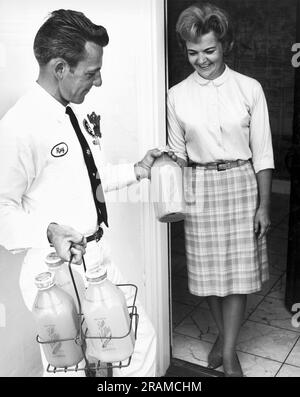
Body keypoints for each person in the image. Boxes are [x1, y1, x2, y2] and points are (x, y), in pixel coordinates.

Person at [0, 9, 165, 377]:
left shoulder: (68, 113)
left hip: (95, 259)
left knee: (135, 346)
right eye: (91, 73)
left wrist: (137, 170)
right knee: (69, 369)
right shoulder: (19, 125)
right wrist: (49, 232)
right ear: (60, 68)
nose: (100, 81)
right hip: (55, 270)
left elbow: (90, 177)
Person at [167, 2, 274, 377]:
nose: (201, 60)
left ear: (224, 44)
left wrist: (263, 206)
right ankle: (225, 338)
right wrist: (169, 190)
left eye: (209, 50)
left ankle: (228, 354)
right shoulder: (176, 94)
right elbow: (177, 154)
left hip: (241, 184)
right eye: (193, 52)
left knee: (238, 275)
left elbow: (262, 153)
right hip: (199, 188)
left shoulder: (250, 88)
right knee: (209, 275)